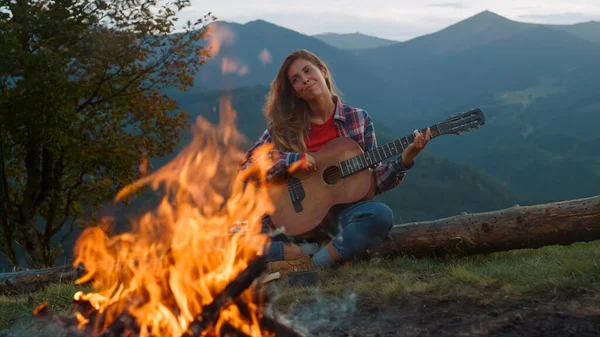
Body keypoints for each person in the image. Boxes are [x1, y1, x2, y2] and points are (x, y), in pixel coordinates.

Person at [239, 49, 430, 282]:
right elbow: (247, 166)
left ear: (324, 71)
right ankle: (320, 251)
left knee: (379, 215)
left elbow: (372, 183)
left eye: (307, 70)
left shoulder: (358, 120)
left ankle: (310, 265)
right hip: (291, 221)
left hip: (340, 218)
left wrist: (404, 160)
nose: (304, 80)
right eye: (295, 80)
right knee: (237, 245)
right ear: (296, 93)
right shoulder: (284, 127)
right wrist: (292, 160)